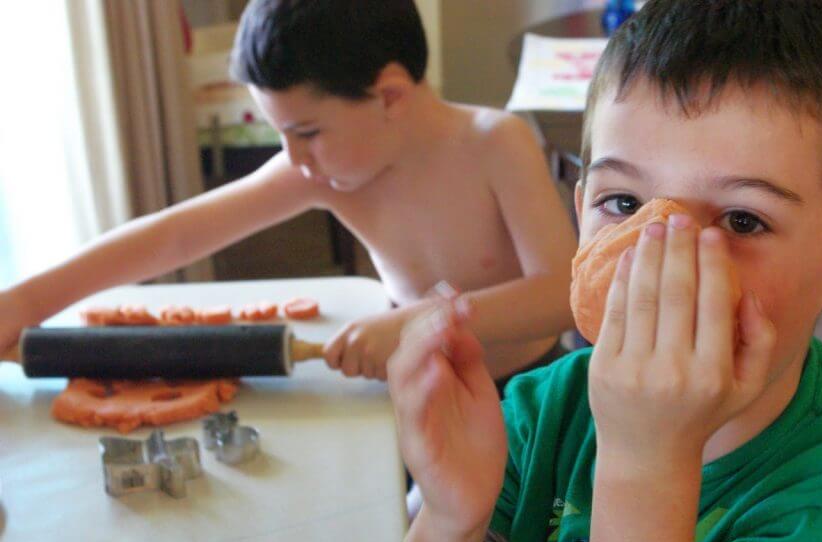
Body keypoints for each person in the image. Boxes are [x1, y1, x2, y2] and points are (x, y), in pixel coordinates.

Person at [365, 1, 822, 542]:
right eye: (625, 203)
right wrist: (451, 521)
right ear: (581, 215)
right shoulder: (539, 414)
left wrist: (645, 464)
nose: (657, 257)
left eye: (743, 219)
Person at [0, 0, 576, 387]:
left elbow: (560, 294)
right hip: (425, 385)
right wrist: (26, 304)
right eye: (281, 133)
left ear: (391, 96)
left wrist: (425, 321)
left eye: (306, 132)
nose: (293, 158)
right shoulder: (324, 170)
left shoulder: (496, 142)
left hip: (529, 390)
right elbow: (176, 234)